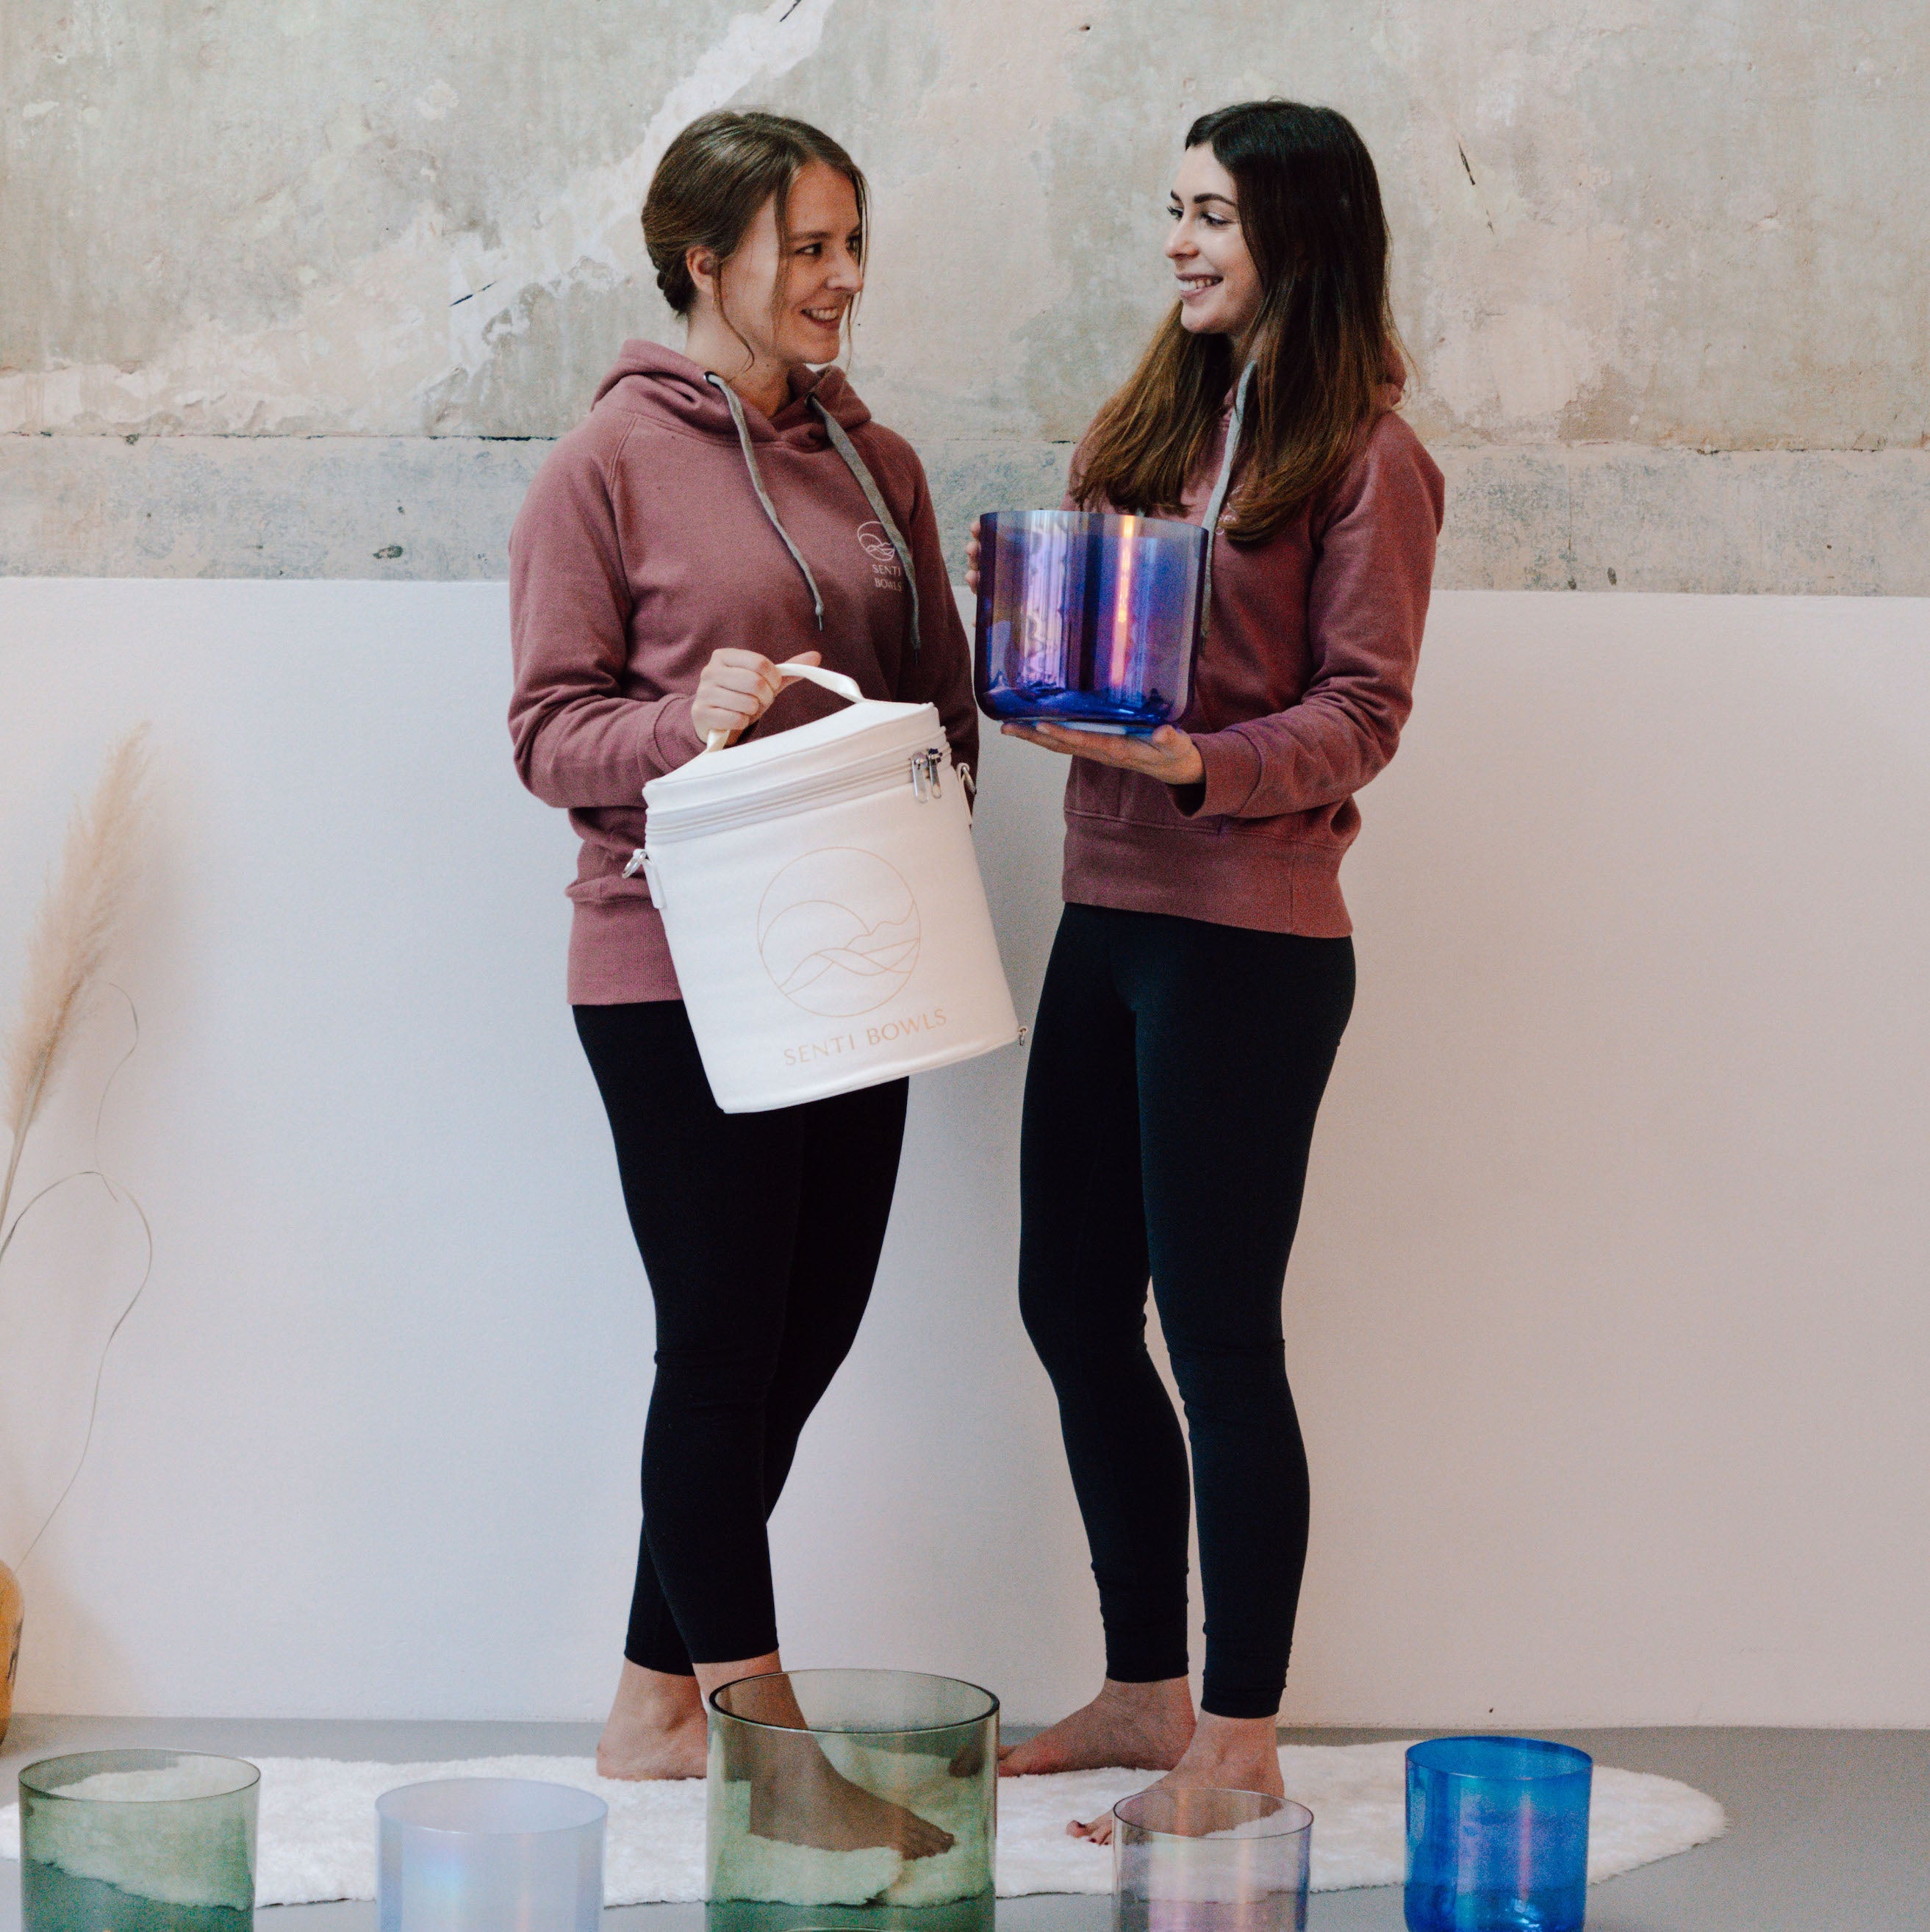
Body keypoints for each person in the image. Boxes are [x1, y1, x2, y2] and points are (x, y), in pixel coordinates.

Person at [508, 109, 975, 1850]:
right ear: (705, 260)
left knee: (803, 1333)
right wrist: (676, 726)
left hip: (858, 951)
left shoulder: (875, 461)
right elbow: (546, 733)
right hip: (671, 967)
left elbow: (935, 700)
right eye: (808, 247)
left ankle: (650, 1702)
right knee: (717, 1342)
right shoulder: (601, 467)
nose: (842, 279)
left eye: (854, 244)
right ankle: (762, 1752)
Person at [978, 99, 1443, 1838]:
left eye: (1214, 218)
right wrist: (1037, 661)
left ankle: (1237, 1740)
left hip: (1248, 941)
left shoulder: (1369, 459)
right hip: (1107, 914)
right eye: (1172, 211)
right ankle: (1141, 1687)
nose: (1179, 243)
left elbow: (1361, 711)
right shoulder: (1155, 417)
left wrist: (1200, 764)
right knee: (1067, 1303)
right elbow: (1099, 631)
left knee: (1220, 1337)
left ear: (1298, 238)